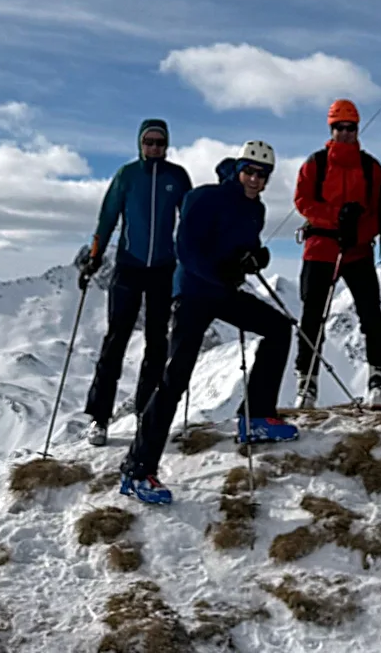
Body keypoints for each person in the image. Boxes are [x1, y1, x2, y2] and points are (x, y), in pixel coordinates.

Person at [118, 141, 296, 506]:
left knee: (279, 328)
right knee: (175, 379)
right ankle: (136, 469)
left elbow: (239, 252)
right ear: (238, 168)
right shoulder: (205, 198)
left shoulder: (255, 210)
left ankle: (256, 417)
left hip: (222, 291)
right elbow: (186, 250)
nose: (255, 179)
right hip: (194, 294)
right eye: (250, 171)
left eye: (262, 175)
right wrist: (223, 272)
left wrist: (254, 258)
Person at [74, 118, 193, 446]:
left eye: (160, 143)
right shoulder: (127, 175)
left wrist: (198, 254)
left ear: (167, 145)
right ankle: (100, 418)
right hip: (128, 266)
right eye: (149, 142)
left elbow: (190, 219)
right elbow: (108, 217)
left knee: (157, 344)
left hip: (163, 269)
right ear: (140, 144)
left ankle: (146, 412)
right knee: (116, 341)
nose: (154, 148)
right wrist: (95, 256)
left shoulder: (177, 176)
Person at [291, 98, 381, 409]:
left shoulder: (371, 167)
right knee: (312, 317)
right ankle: (306, 383)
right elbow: (302, 201)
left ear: (357, 128)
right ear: (331, 128)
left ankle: (378, 379)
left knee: (372, 315)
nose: (345, 133)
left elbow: (380, 212)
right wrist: (338, 217)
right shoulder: (316, 163)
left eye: (350, 127)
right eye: (339, 127)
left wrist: (358, 232)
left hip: (357, 250)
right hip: (320, 248)